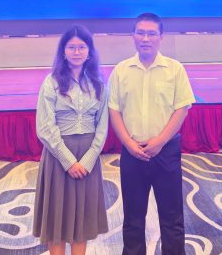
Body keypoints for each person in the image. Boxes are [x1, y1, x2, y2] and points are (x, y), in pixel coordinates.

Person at [108, 13, 196, 255]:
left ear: (161, 37)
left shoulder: (175, 69)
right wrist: (127, 143)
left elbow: (182, 108)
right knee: (133, 218)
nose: (145, 38)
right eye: (140, 33)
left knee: (172, 217)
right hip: (132, 152)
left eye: (151, 34)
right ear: (133, 36)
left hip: (166, 152)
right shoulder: (121, 71)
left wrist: (160, 141)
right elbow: (114, 110)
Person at [33, 25, 109, 255]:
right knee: (57, 218)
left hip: (87, 158)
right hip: (58, 157)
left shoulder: (98, 84)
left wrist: (88, 160)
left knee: (81, 221)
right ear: (63, 51)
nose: (77, 52)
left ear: (89, 51)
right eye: (71, 47)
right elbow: (45, 127)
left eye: (82, 47)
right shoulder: (51, 82)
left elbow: (102, 127)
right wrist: (68, 161)